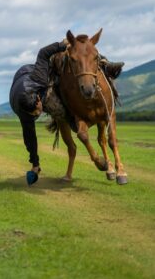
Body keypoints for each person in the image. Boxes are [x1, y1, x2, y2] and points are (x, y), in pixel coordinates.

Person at [9, 39, 124, 184]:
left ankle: (105, 64)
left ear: (39, 100)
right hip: (21, 86)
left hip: (30, 73)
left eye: (38, 112)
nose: (38, 115)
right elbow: (29, 139)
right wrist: (35, 164)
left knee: (69, 56)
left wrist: (63, 46)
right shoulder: (24, 115)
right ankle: (77, 125)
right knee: (59, 112)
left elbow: (43, 52)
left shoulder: (39, 77)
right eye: (35, 116)